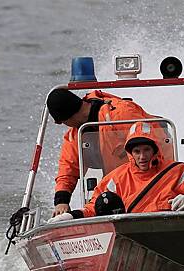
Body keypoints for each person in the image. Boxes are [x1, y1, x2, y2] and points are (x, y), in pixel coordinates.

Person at [49, 121, 184, 222]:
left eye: (147, 150)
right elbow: (95, 208)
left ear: (155, 150)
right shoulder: (116, 178)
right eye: (137, 151)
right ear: (130, 153)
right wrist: (72, 216)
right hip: (130, 238)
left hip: (170, 235)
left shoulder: (177, 171)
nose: (142, 156)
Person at [47, 88, 160, 217]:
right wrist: (62, 201)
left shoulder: (121, 114)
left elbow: (158, 143)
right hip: (118, 185)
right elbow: (68, 168)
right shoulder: (76, 135)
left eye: (62, 122)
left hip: (150, 180)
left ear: (66, 118)